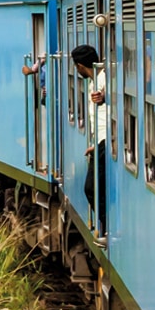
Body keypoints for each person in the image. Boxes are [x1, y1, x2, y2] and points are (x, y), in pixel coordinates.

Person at [71, 44, 107, 235]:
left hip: (107, 142)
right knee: (93, 187)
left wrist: (105, 97)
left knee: (91, 188)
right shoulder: (95, 81)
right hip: (100, 142)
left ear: (80, 65)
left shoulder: (104, 80)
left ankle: (106, 226)